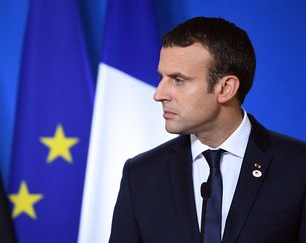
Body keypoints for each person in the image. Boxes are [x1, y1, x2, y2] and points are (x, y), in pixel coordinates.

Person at [109, 17, 306, 243]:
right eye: (162, 78)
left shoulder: (299, 168)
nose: (159, 94)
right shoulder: (141, 175)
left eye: (178, 80)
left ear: (225, 88)